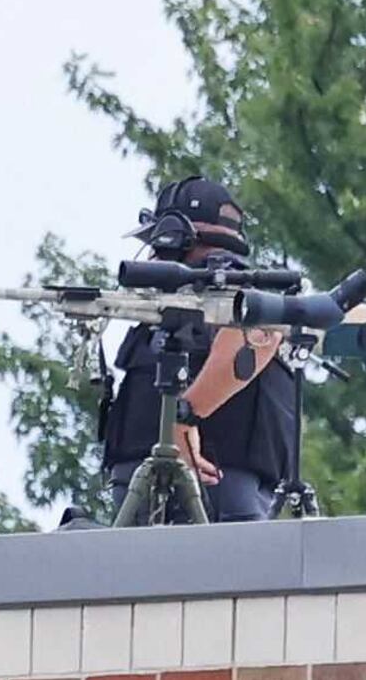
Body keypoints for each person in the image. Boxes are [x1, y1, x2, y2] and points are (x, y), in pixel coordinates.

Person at [102, 175, 296, 522]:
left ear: (175, 235)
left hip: (218, 487)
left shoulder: (232, 291)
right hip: (144, 487)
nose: (151, 254)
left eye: (157, 242)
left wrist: (184, 417)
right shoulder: (170, 301)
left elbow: (257, 334)